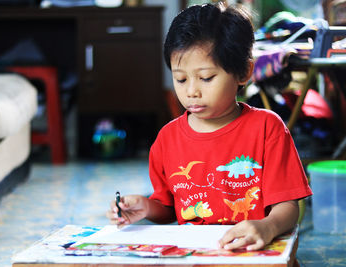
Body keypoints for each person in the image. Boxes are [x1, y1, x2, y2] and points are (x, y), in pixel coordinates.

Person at [106, 2, 312, 251]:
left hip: (256, 254)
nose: (191, 91)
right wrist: (147, 207)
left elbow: (288, 207)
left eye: (206, 78)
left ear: (244, 72)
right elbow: (170, 209)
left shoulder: (268, 128)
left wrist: (268, 226)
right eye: (180, 78)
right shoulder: (167, 139)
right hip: (199, 255)